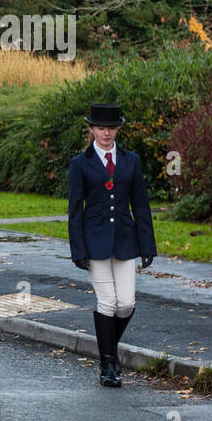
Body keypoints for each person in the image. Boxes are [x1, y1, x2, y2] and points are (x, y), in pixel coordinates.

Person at [68, 103, 156, 388]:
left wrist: (147, 246)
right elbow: (74, 211)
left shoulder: (131, 161)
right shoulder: (79, 164)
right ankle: (109, 365)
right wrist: (78, 250)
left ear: (118, 129)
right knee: (107, 303)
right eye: (101, 128)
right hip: (93, 241)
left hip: (125, 239)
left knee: (126, 304)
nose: (106, 133)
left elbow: (140, 204)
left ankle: (107, 352)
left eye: (111, 128)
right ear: (92, 129)